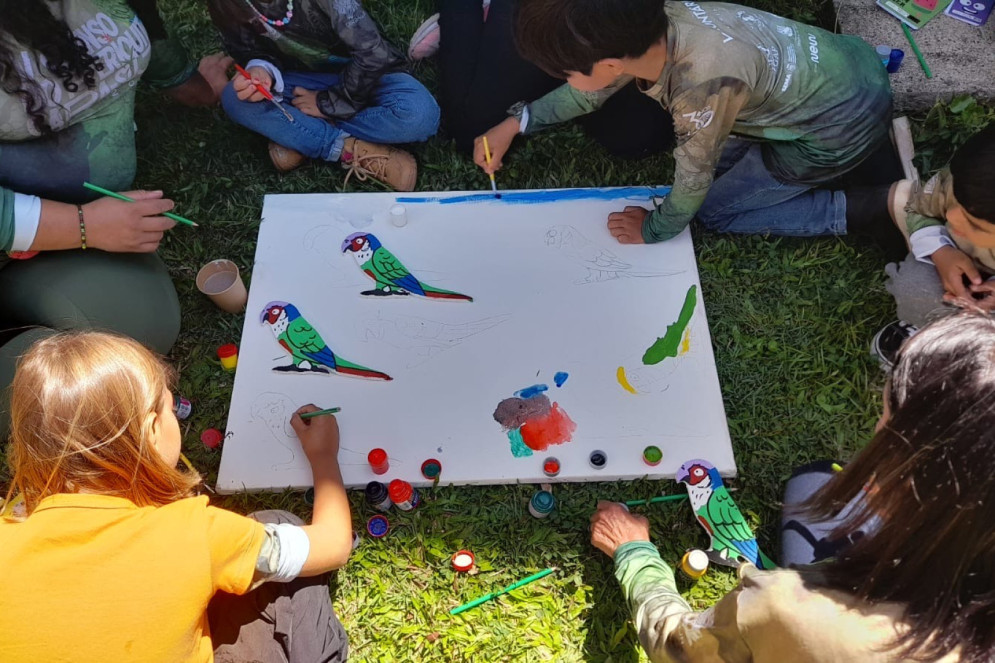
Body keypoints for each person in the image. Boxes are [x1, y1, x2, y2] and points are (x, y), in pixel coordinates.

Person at [590, 310, 995, 662]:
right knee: (814, 483)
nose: (872, 433)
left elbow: (680, 646)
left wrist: (634, 553)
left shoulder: (793, 610)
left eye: (886, 423)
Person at [0, 332, 352, 662]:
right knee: (277, 525)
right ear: (153, 431)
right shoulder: (193, 535)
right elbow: (334, 544)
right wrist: (323, 456)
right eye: (170, 408)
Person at [476, 0, 904, 249]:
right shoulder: (653, 22)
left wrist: (655, 228)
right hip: (849, 65)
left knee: (716, 212)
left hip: (836, 134)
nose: (567, 81)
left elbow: (693, 178)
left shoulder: (700, 89)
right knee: (726, 164)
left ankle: (876, 203)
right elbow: (590, 91)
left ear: (608, 65)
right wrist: (517, 123)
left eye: (567, 72)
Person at [0, 0, 232, 439]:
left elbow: (137, 26)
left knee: (141, 321)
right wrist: (84, 226)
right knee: (79, 385)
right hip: (41, 229)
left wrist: (189, 83)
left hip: (47, 241)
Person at [209, 0, 441, 192]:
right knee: (234, 98)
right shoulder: (225, 3)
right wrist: (259, 69)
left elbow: (372, 54)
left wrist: (329, 104)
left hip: (367, 75)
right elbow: (247, 48)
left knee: (419, 114)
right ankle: (347, 148)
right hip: (297, 80)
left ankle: (299, 133)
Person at [408, 0, 675, 159]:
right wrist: (515, 123)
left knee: (638, 137)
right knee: (475, 130)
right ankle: (503, 19)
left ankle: (503, 32)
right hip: (563, 16)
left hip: (614, 22)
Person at [873, 124, 995, 369]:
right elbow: (920, 208)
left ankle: (969, 354)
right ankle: (925, 325)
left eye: (975, 225)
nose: (951, 217)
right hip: (952, 261)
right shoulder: (961, 182)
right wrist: (941, 253)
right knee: (914, 287)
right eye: (955, 203)